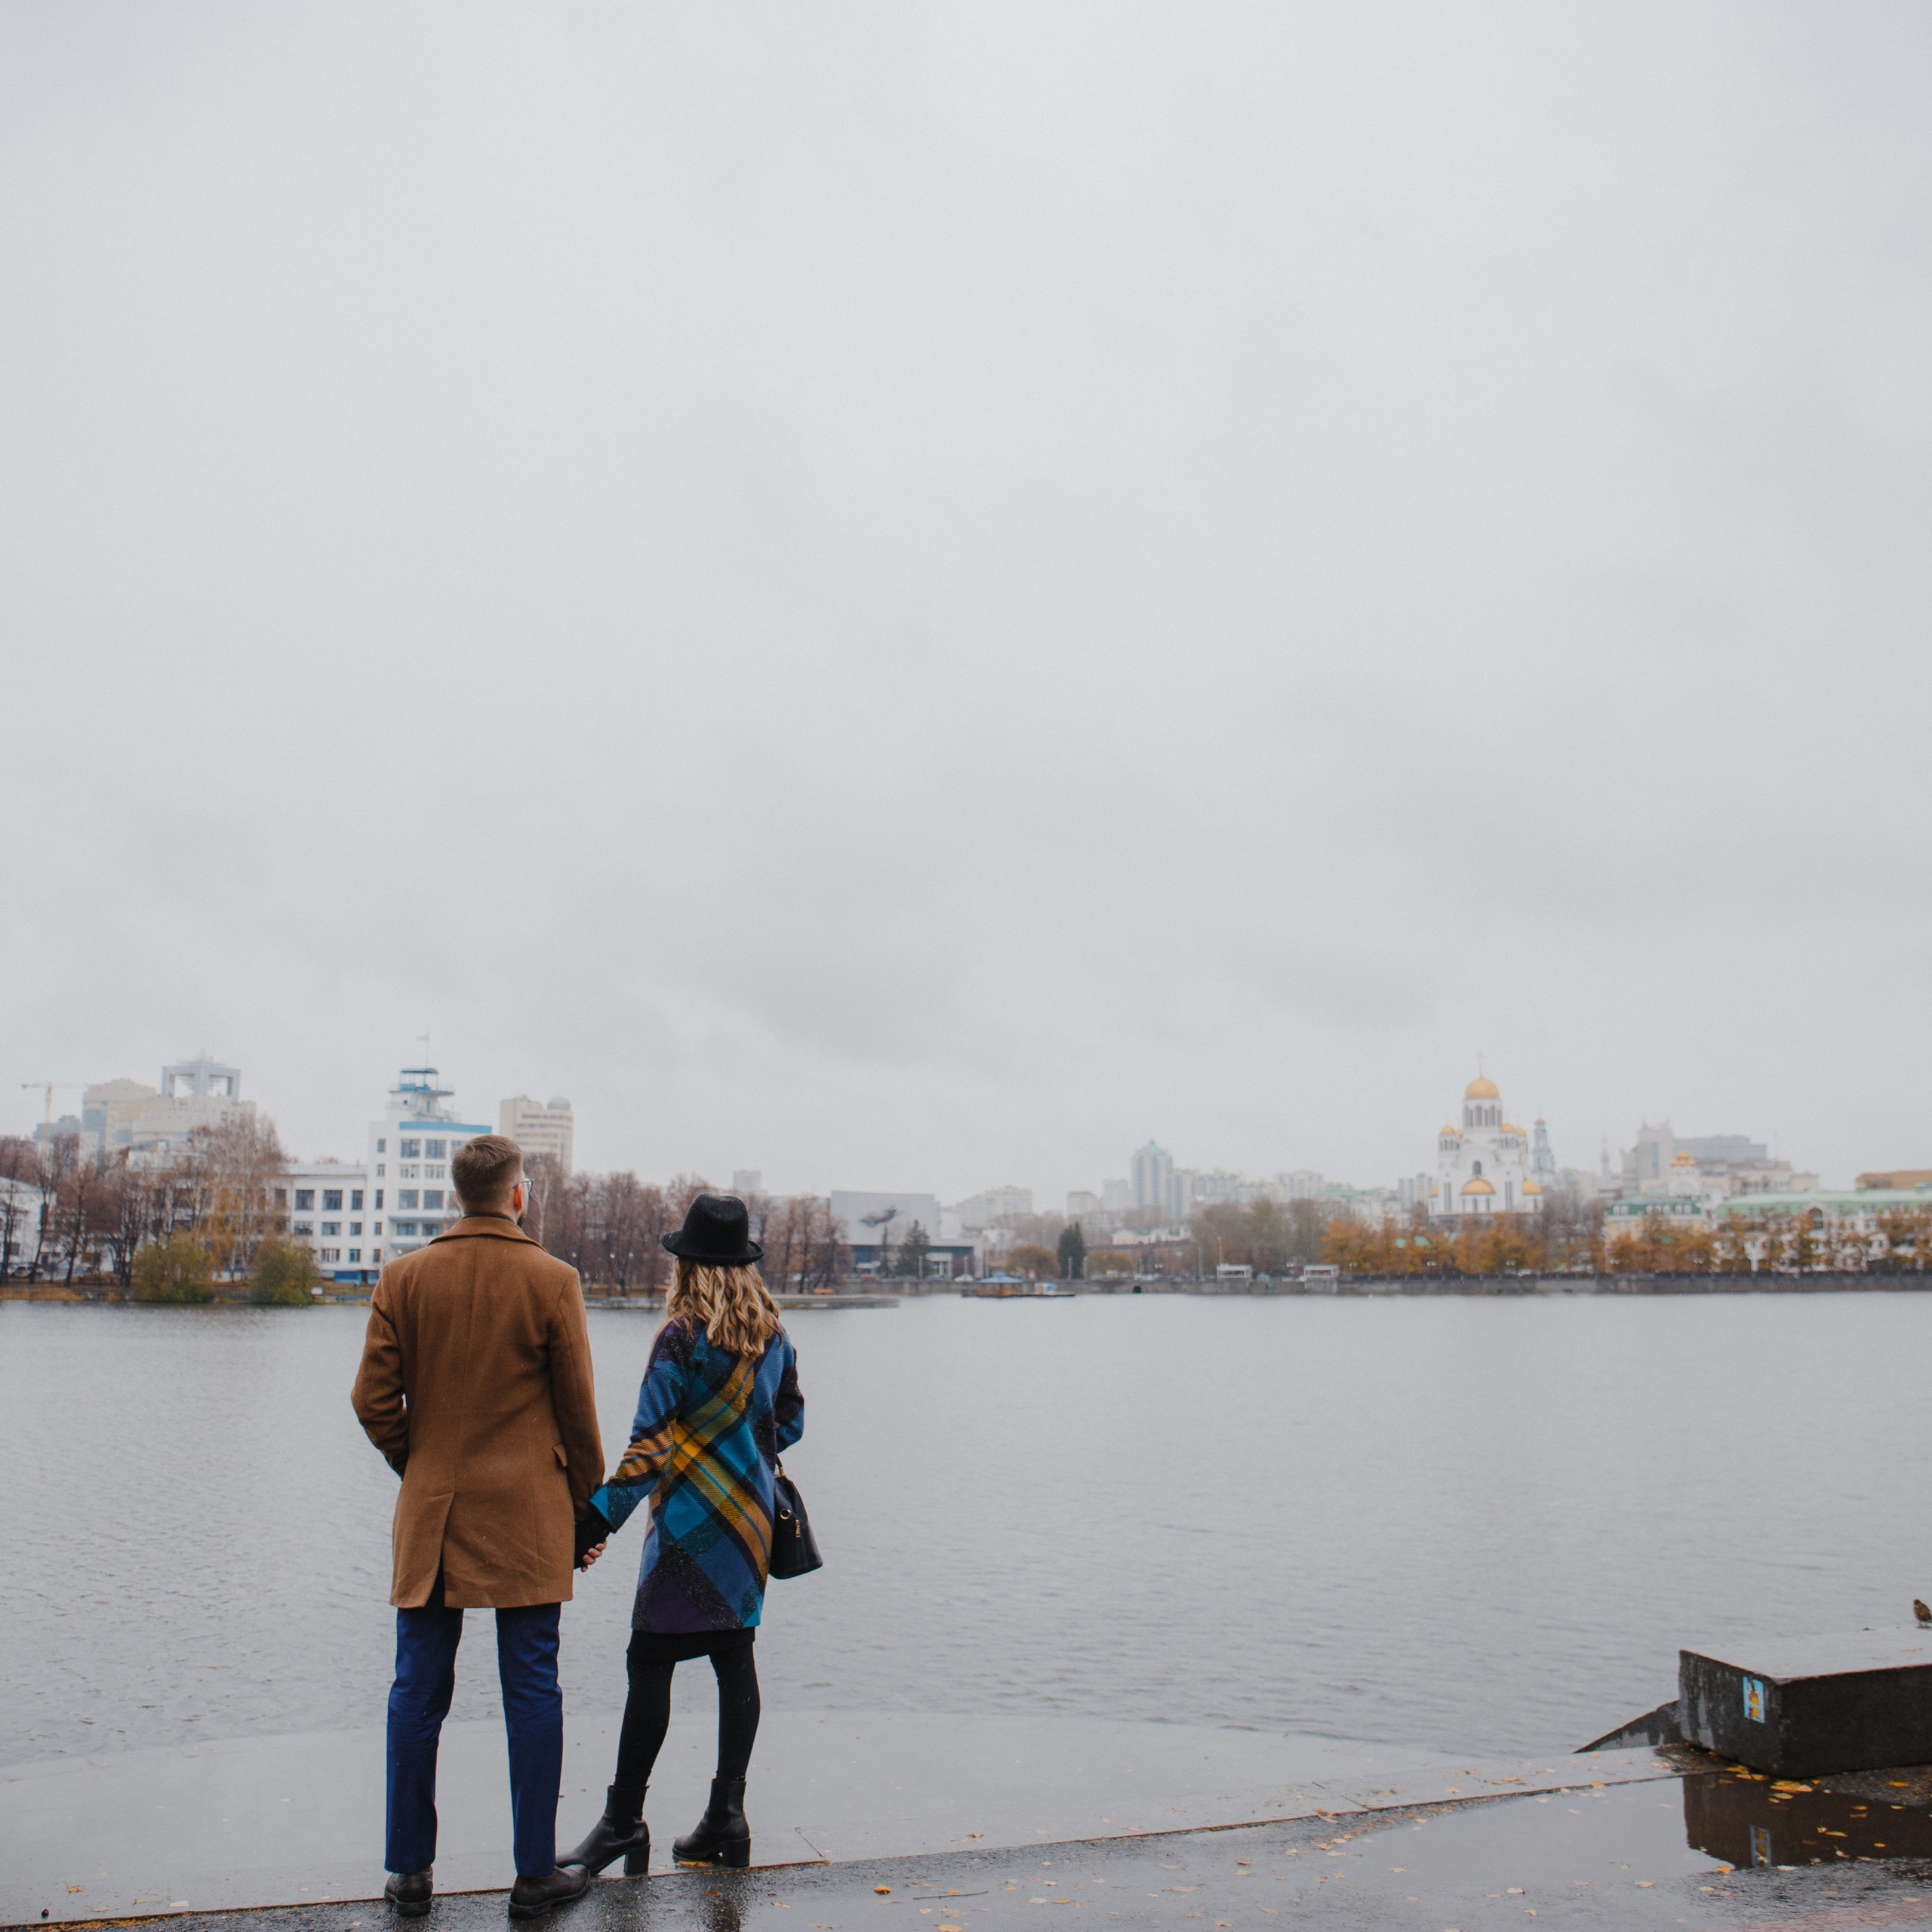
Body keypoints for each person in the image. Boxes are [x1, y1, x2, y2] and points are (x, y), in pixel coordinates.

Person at [350, 1134, 608, 1920]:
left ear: (455, 1195)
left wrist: (420, 1465)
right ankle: (534, 1873)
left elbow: (371, 1401)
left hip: (433, 1517)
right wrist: (584, 1512)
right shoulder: (552, 1278)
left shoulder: (403, 1277)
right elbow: (578, 1411)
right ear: (518, 1195)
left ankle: (409, 1872)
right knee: (533, 1686)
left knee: (416, 1692)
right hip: (529, 1517)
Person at [561, 1193, 804, 1877]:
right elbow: (791, 1424)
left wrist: (592, 1519)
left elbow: (648, 1450)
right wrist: (741, 1448)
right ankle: (727, 1817)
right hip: (750, 1524)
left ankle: (621, 1825)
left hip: (688, 1527)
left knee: (650, 1664)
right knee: (735, 1660)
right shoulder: (775, 1336)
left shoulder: (680, 1337)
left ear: (688, 1264)